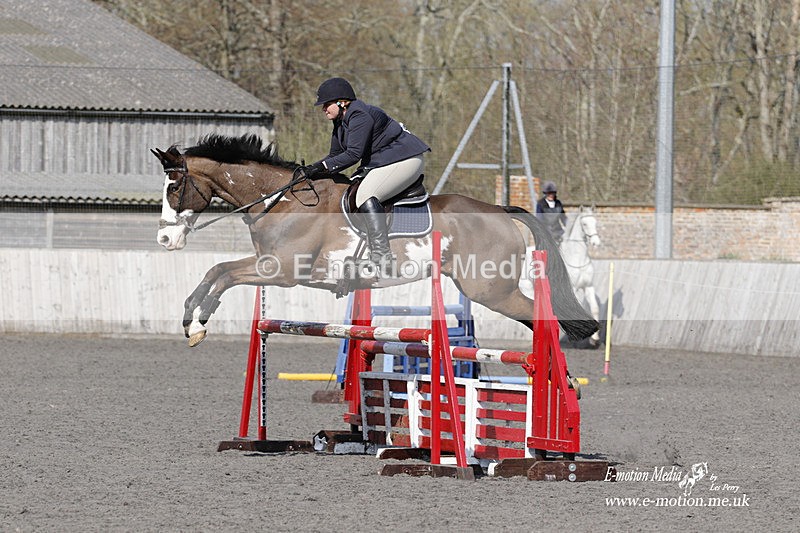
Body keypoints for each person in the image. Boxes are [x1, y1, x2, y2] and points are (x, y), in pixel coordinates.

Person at [299, 77, 430, 272]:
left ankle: (382, 256)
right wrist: (313, 168)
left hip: (406, 159)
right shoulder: (340, 122)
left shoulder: (359, 115)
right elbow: (335, 156)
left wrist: (322, 166)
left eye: (326, 104)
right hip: (386, 161)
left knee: (365, 195)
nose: (323, 109)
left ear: (341, 102)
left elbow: (353, 155)